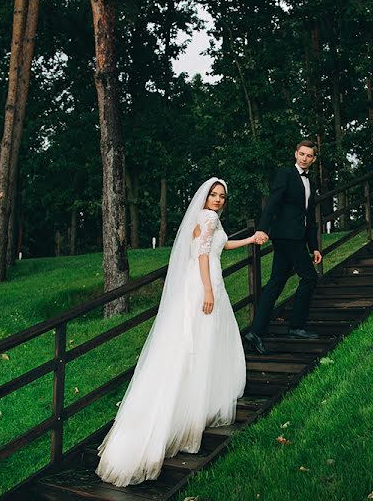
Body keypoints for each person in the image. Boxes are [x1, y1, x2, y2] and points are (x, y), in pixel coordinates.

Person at [96, 177, 263, 486]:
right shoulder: (208, 217)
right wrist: (209, 290)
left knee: (193, 345)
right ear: (204, 197)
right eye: (213, 195)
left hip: (197, 281)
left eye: (222, 196)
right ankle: (191, 412)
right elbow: (202, 255)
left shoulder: (206, 219)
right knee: (200, 344)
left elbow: (221, 245)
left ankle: (191, 407)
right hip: (204, 282)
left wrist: (251, 239)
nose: (217, 200)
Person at [244, 140, 322, 355]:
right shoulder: (285, 174)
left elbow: (310, 217)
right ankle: (296, 326)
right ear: (295, 154)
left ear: (314, 159)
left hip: (298, 237)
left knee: (276, 283)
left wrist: (314, 246)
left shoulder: (310, 182)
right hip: (286, 237)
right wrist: (262, 229)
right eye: (302, 154)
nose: (305, 158)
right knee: (309, 277)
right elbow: (273, 203)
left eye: (309, 156)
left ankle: (256, 332)